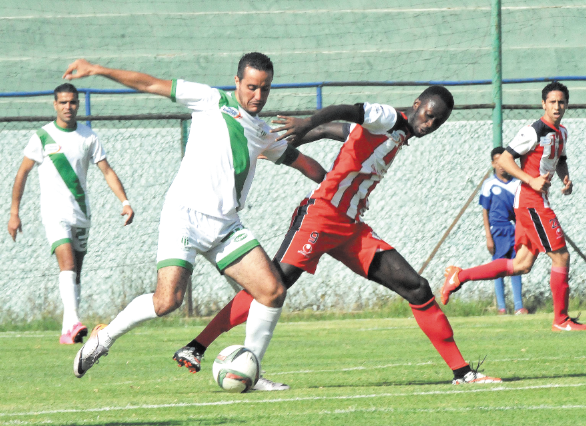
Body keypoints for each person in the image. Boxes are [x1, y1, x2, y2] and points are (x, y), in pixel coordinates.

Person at [173, 86, 502, 386]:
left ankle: (463, 373)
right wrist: (307, 122)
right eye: (429, 115)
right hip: (320, 217)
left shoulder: (400, 134)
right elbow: (348, 111)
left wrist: (303, 136)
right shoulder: (388, 117)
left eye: (438, 121)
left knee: (417, 288)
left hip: (349, 227)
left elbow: (341, 130)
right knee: (272, 285)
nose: (430, 123)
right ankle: (197, 346)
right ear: (416, 105)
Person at [62, 53, 327, 390]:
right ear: (236, 82)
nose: (258, 96)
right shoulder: (209, 100)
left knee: (272, 291)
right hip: (183, 217)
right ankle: (104, 338)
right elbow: (150, 84)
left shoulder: (263, 131)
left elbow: (302, 162)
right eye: (251, 87)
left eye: (265, 89)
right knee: (167, 301)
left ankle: (249, 370)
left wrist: (337, 187)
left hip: (226, 226)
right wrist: (98, 69)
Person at [441, 81, 584, 331]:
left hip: (539, 201)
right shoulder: (533, 130)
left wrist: (565, 178)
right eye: (552, 102)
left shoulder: (562, 132)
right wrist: (530, 179)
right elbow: (505, 159)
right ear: (543, 104)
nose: (557, 106)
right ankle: (560, 320)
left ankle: (458, 276)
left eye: (561, 102)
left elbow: (559, 158)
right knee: (561, 256)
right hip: (531, 203)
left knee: (521, 265)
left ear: (567, 104)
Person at [7, 83, 135, 345]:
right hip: (54, 214)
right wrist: (14, 212)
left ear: (77, 104)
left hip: (81, 213)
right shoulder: (42, 137)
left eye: (73, 102)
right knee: (66, 264)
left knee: (76, 272)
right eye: (63, 102)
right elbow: (22, 174)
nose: (68, 107)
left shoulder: (88, 137)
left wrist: (125, 201)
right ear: (55, 105)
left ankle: (68, 330)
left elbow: (106, 171)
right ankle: (74, 321)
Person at [480, 147, 526, 315]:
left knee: (516, 266)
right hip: (497, 232)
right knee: (498, 268)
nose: (501, 165)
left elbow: (520, 210)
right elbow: (485, 211)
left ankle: (519, 306)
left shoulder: (516, 183)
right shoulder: (489, 185)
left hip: (514, 230)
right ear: (493, 163)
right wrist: (488, 236)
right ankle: (501, 307)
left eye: (504, 161)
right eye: (497, 161)